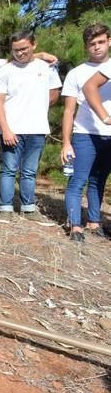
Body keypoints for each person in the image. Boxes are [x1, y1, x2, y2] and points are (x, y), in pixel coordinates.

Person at [0, 30, 61, 225]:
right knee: (8, 170)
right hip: (12, 129)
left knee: (29, 171)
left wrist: (37, 107)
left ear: (34, 45)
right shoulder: (6, 70)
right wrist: (5, 129)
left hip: (37, 129)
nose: (20, 53)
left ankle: (28, 208)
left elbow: (54, 93)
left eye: (24, 49)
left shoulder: (46, 68)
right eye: (16, 50)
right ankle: (5, 209)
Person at [59, 24, 111, 242]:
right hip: (85, 134)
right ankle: (75, 225)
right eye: (92, 44)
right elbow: (69, 111)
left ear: (109, 41)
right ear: (86, 46)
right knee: (78, 180)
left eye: (100, 42)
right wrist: (66, 142)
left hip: (108, 137)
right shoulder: (77, 73)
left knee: (99, 180)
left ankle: (94, 221)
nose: (96, 47)